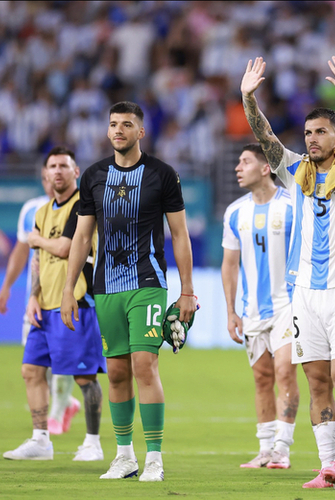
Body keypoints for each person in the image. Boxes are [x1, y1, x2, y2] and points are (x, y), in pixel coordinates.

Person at [241, 56, 335, 489]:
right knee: (316, 381)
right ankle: (326, 466)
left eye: (320, 132)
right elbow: (264, 135)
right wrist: (248, 98)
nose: (311, 139)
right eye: (307, 133)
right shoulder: (294, 169)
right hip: (303, 295)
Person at [61, 101, 197, 482]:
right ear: (107, 131)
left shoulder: (162, 175)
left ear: (141, 132)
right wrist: (69, 289)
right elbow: (82, 237)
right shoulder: (92, 177)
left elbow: (180, 234)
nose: (118, 130)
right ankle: (125, 456)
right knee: (117, 372)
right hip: (105, 288)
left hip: (147, 283)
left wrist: (187, 290)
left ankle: (154, 456)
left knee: (143, 365)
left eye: (127, 125)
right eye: (113, 125)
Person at [3, 147, 106, 462]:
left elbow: (64, 247)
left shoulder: (83, 206)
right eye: (52, 166)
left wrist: (37, 240)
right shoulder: (42, 211)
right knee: (31, 370)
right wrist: (32, 295)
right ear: (46, 174)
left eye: (64, 165)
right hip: (43, 305)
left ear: (76, 172)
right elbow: (38, 258)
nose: (58, 171)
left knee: (85, 377)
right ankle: (41, 440)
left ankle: (92, 443)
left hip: (76, 303)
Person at [221, 144, 299, 469]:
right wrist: (230, 311)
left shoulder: (293, 206)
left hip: (289, 306)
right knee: (262, 377)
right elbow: (229, 264)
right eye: (238, 161)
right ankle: (266, 448)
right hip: (253, 310)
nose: (238, 167)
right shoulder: (235, 212)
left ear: (266, 168)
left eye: (245, 161)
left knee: (284, 371)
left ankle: (283, 447)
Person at [0, 174, 82, 435]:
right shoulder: (31, 210)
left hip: (69, 298)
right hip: (35, 301)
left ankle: (55, 415)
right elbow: (21, 253)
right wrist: (7, 286)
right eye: (49, 173)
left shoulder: (80, 206)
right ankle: (66, 403)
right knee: (37, 365)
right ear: (44, 179)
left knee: (63, 360)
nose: (53, 179)